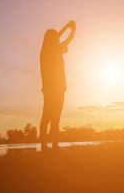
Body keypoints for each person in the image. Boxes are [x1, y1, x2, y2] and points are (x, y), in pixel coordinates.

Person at [40, 20, 76, 150]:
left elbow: (57, 37)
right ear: (52, 39)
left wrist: (65, 27)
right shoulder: (54, 49)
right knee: (52, 117)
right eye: (55, 36)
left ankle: (49, 145)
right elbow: (68, 39)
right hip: (55, 88)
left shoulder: (46, 49)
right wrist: (71, 29)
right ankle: (49, 144)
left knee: (51, 116)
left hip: (54, 88)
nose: (57, 38)